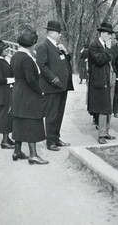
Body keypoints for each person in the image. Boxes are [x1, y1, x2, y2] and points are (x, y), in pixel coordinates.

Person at [11, 29, 48, 164]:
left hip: (17, 93)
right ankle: (33, 155)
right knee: (32, 122)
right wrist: (40, 91)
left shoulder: (15, 56)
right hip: (28, 94)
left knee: (19, 122)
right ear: (31, 44)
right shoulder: (27, 58)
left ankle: (17, 151)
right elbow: (31, 79)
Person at [36, 21, 74, 151]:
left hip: (63, 86)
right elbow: (42, 65)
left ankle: (56, 138)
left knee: (59, 114)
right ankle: (50, 141)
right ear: (51, 33)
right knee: (52, 114)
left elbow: (66, 62)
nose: (60, 35)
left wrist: (66, 52)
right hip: (52, 86)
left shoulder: (58, 46)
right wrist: (54, 79)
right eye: (59, 32)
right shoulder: (43, 46)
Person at [87, 22, 115, 144]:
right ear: (102, 33)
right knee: (103, 108)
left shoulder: (104, 45)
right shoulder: (94, 45)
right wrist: (108, 49)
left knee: (108, 107)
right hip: (99, 81)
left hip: (108, 80)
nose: (110, 36)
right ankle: (101, 135)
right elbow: (99, 60)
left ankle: (106, 132)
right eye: (108, 34)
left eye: (111, 34)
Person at [0, 40, 15, 149]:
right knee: (4, 117)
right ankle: (4, 141)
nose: (7, 50)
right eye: (5, 49)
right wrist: (14, 80)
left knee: (8, 116)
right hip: (2, 95)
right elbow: (0, 80)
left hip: (6, 94)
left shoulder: (4, 61)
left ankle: (7, 138)